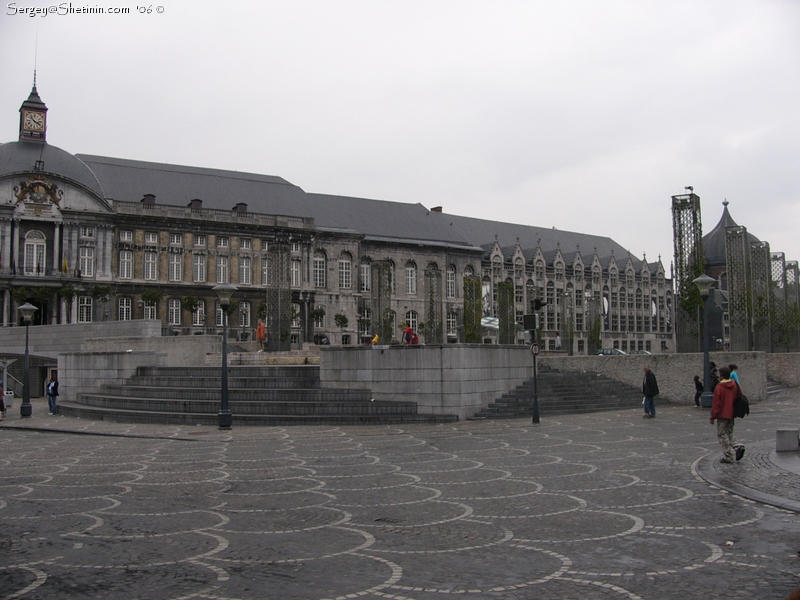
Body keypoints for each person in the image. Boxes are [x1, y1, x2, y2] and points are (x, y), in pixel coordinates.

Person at [710, 366, 745, 463]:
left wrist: (713, 416)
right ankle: (738, 446)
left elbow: (716, 403)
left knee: (722, 434)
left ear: (722, 375)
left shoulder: (719, 387)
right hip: (732, 413)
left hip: (722, 414)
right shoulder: (734, 384)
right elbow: (740, 395)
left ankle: (728, 456)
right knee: (729, 432)